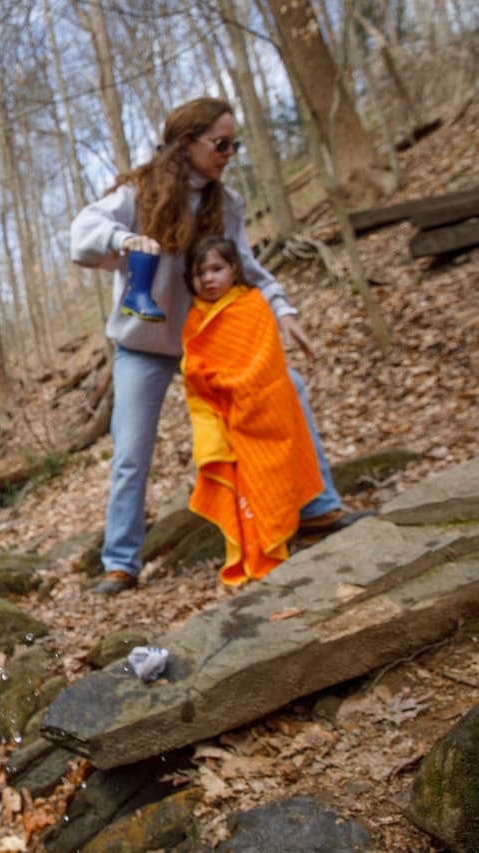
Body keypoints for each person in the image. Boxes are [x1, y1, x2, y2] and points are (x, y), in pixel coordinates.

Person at [70, 96, 358, 596]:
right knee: (132, 451)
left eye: (235, 144)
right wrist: (124, 240)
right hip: (144, 346)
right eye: (221, 143)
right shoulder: (137, 192)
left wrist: (283, 311)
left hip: (213, 339)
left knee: (289, 387)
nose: (229, 153)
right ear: (187, 144)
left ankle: (315, 508)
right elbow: (82, 237)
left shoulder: (229, 203)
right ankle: (120, 563)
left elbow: (247, 267)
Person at [181, 235, 323, 585]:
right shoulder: (195, 318)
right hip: (225, 417)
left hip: (263, 413)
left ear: (234, 269)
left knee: (272, 476)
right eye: (201, 273)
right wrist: (209, 379)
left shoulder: (253, 304)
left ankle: (281, 537)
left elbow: (265, 361)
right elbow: (193, 367)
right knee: (242, 483)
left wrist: (234, 385)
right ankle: (256, 548)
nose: (209, 279)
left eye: (217, 269)